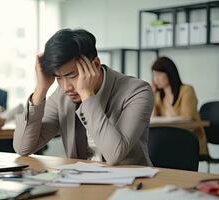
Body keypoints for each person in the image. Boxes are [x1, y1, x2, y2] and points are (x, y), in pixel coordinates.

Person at [13, 28, 154, 165]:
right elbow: (23, 148)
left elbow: (114, 155)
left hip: (130, 184)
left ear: (96, 65)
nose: (66, 87)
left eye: (72, 75)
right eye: (58, 78)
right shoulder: (61, 95)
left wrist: (87, 96)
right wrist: (41, 88)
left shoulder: (137, 91)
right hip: (79, 182)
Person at [151, 56, 208, 155]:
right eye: (154, 75)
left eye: (159, 74)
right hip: (169, 139)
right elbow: (153, 118)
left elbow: (187, 118)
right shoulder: (158, 95)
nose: (156, 79)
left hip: (189, 138)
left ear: (169, 73)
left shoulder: (186, 90)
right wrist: (151, 95)